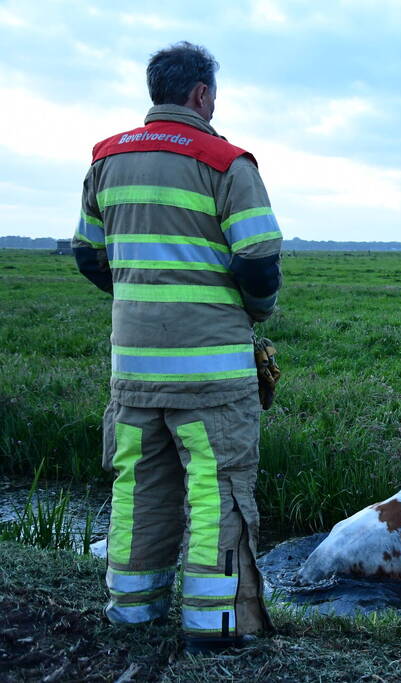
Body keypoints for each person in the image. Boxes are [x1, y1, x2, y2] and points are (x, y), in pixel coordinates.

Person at [72, 41, 281, 652]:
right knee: (218, 493)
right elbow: (261, 262)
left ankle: (131, 610)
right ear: (203, 95)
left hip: (131, 372)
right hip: (212, 379)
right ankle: (211, 625)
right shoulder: (227, 162)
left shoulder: (105, 159)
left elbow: (87, 254)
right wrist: (254, 312)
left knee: (138, 489)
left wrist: (139, 297)